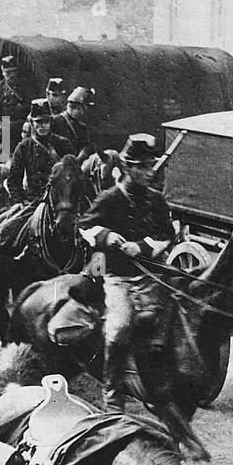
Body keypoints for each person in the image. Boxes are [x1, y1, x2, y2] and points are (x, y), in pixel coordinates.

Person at [77, 135, 172, 411]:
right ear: (128, 168)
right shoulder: (109, 199)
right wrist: (108, 237)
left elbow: (167, 233)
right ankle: (113, 393)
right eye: (142, 167)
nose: (149, 172)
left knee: (168, 320)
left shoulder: (156, 200)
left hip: (150, 275)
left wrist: (141, 246)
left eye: (151, 166)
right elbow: (85, 226)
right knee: (119, 327)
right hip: (118, 278)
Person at [5, 99, 75, 202]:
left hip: (61, 199)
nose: (43, 125)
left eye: (46, 121)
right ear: (32, 123)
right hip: (34, 200)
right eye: (38, 122)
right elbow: (14, 180)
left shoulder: (63, 143)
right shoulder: (24, 147)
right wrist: (18, 201)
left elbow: (74, 174)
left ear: (51, 122)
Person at [0, 54, 33, 132]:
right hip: (3, 124)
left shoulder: (26, 85)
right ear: (3, 72)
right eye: (8, 73)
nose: (12, 75)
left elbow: (32, 108)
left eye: (13, 71)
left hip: (22, 124)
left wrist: (28, 122)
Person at [51, 86, 95, 160]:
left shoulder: (82, 127)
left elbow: (86, 146)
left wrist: (80, 158)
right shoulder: (54, 121)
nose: (86, 110)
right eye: (86, 107)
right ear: (79, 107)